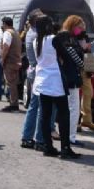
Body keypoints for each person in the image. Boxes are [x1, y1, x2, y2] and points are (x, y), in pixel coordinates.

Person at [33, 15, 81, 159]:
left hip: (42, 80)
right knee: (63, 114)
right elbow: (66, 57)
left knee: (45, 115)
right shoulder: (54, 39)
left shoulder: (37, 41)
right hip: (56, 80)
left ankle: (48, 146)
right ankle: (65, 148)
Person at [60, 15, 87, 146]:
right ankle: (70, 136)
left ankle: (69, 135)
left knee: (71, 109)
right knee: (73, 109)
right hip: (70, 77)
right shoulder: (68, 40)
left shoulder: (70, 39)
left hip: (70, 76)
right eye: (80, 27)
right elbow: (78, 60)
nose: (81, 30)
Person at [21, 10, 44, 150]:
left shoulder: (30, 32)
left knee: (34, 106)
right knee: (41, 107)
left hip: (33, 70)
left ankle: (27, 137)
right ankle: (39, 138)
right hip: (38, 72)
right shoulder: (36, 35)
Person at [0, 17, 23, 112]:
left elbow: (6, 46)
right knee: (13, 82)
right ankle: (13, 102)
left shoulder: (7, 33)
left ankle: (13, 104)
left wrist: (2, 58)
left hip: (10, 61)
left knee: (11, 83)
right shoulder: (16, 33)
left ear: (5, 24)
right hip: (16, 61)